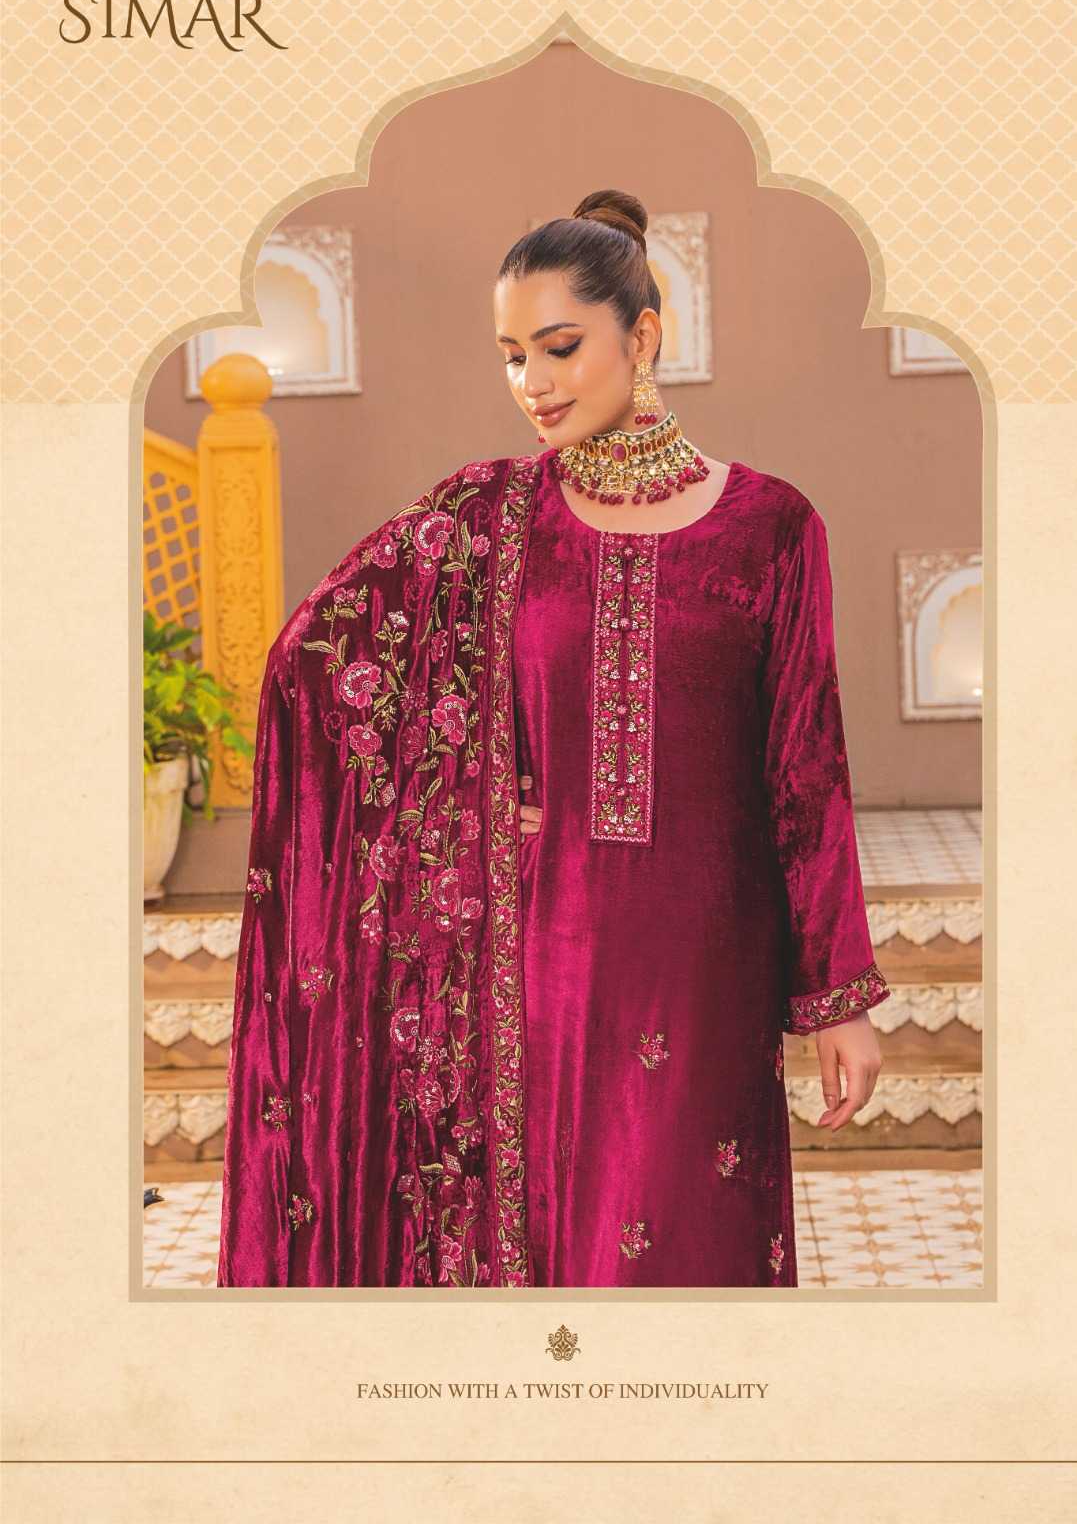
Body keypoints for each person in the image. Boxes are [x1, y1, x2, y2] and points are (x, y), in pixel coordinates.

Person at [216, 188, 889, 1289]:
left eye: (561, 348)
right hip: (536, 960)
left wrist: (840, 997)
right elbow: (313, 666)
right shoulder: (489, 519)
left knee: (696, 1255)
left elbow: (807, 776)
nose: (533, 382)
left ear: (644, 337)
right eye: (512, 356)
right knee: (553, 1262)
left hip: (708, 966)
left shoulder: (771, 527)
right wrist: (463, 799)